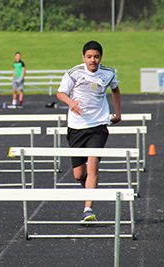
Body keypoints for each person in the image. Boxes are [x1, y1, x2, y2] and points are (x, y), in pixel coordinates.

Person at [56, 40, 121, 222]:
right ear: (83, 57)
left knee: (93, 163)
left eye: (96, 57)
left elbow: (116, 90)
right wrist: (71, 103)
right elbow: (60, 93)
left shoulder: (108, 73)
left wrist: (118, 113)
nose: (93, 60)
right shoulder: (74, 73)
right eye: (89, 57)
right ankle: (87, 188)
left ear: (101, 57)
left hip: (98, 126)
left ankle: (88, 210)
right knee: (78, 174)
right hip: (76, 127)